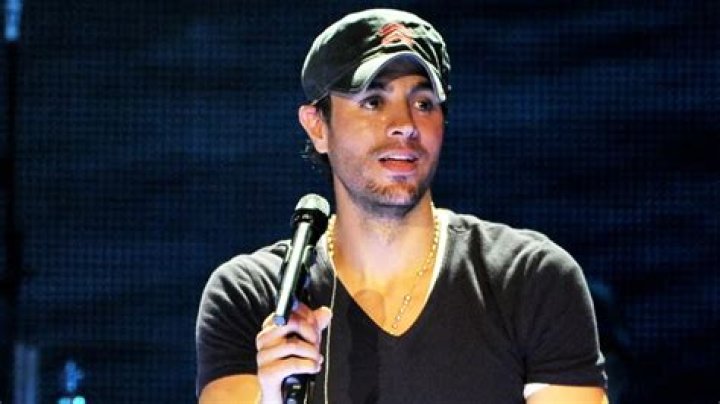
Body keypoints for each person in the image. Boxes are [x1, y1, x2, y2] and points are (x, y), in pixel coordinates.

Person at [196, 8, 608, 404]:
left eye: (424, 103)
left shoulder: (530, 278)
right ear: (317, 126)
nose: (406, 124)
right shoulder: (254, 294)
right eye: (374, 101)